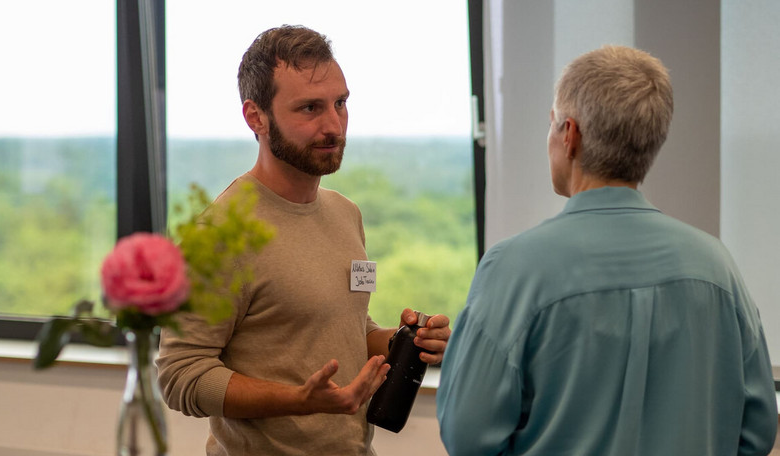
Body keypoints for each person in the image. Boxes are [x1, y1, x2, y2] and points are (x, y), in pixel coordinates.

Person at [436, 45, 777, 455]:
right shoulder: (717, 267)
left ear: (570, 135)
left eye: (551, 123)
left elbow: (467, 435)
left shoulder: (514, 269)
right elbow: (756, 430)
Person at [156, 25, 451, 455]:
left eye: (340, 103)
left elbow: (345, 326)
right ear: (256, 117)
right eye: (310, 108)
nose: (334, 124)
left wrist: (405, 341)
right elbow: (181, 374)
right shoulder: (219, 235)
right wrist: (297, 400)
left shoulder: (345, 213)